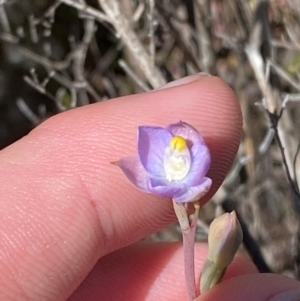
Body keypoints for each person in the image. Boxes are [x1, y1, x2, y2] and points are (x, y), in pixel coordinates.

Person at [0, 74, 299, 301]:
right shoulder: (154, 172)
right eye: (173, 148)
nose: (178, 149)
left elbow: (187, 152)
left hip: (191, 188)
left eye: (182, 149)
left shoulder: (196, 181)